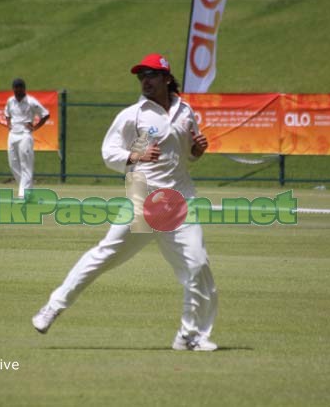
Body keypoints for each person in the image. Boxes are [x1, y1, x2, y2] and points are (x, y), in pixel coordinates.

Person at [31, 53, 218, 351]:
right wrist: (135, 155)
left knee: (197, 265)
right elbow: (110, 153)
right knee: (104, 256)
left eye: (151, 74)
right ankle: (53, 307)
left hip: (180, 201)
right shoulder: (134, 115)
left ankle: (189, 336)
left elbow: (185, 157)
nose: (145, 80)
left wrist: (197, 151)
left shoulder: (185, 111)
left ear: (166, 78)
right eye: (141, 75)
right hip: (142, 199)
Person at [4, 78, 50, 198]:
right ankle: (28, 193)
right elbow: (7, 114)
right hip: (12, 135)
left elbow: (45, 114)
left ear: (24, 88)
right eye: (16, 87)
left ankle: (23, 195)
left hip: (25, 135)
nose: (18, 89)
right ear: (13, 89)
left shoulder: (31, 101)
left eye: (20, 87)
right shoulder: (10, 101)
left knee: (26, 165)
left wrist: (35, 127)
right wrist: (8, 123)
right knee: (13, 165)